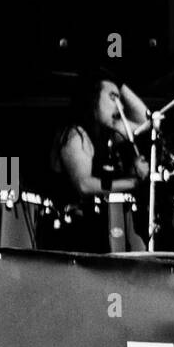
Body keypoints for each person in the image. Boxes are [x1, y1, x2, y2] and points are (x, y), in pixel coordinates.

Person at [48, 72, 151, 252]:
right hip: (74, 235)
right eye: (112, 98)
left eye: (119, 99)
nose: (119, 106)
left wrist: (121, 86)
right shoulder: (76, 135)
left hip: (102, 229)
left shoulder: (110, 133)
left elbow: (147, 121)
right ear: (93, 99)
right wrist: (134, 182)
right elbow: (84, 185)